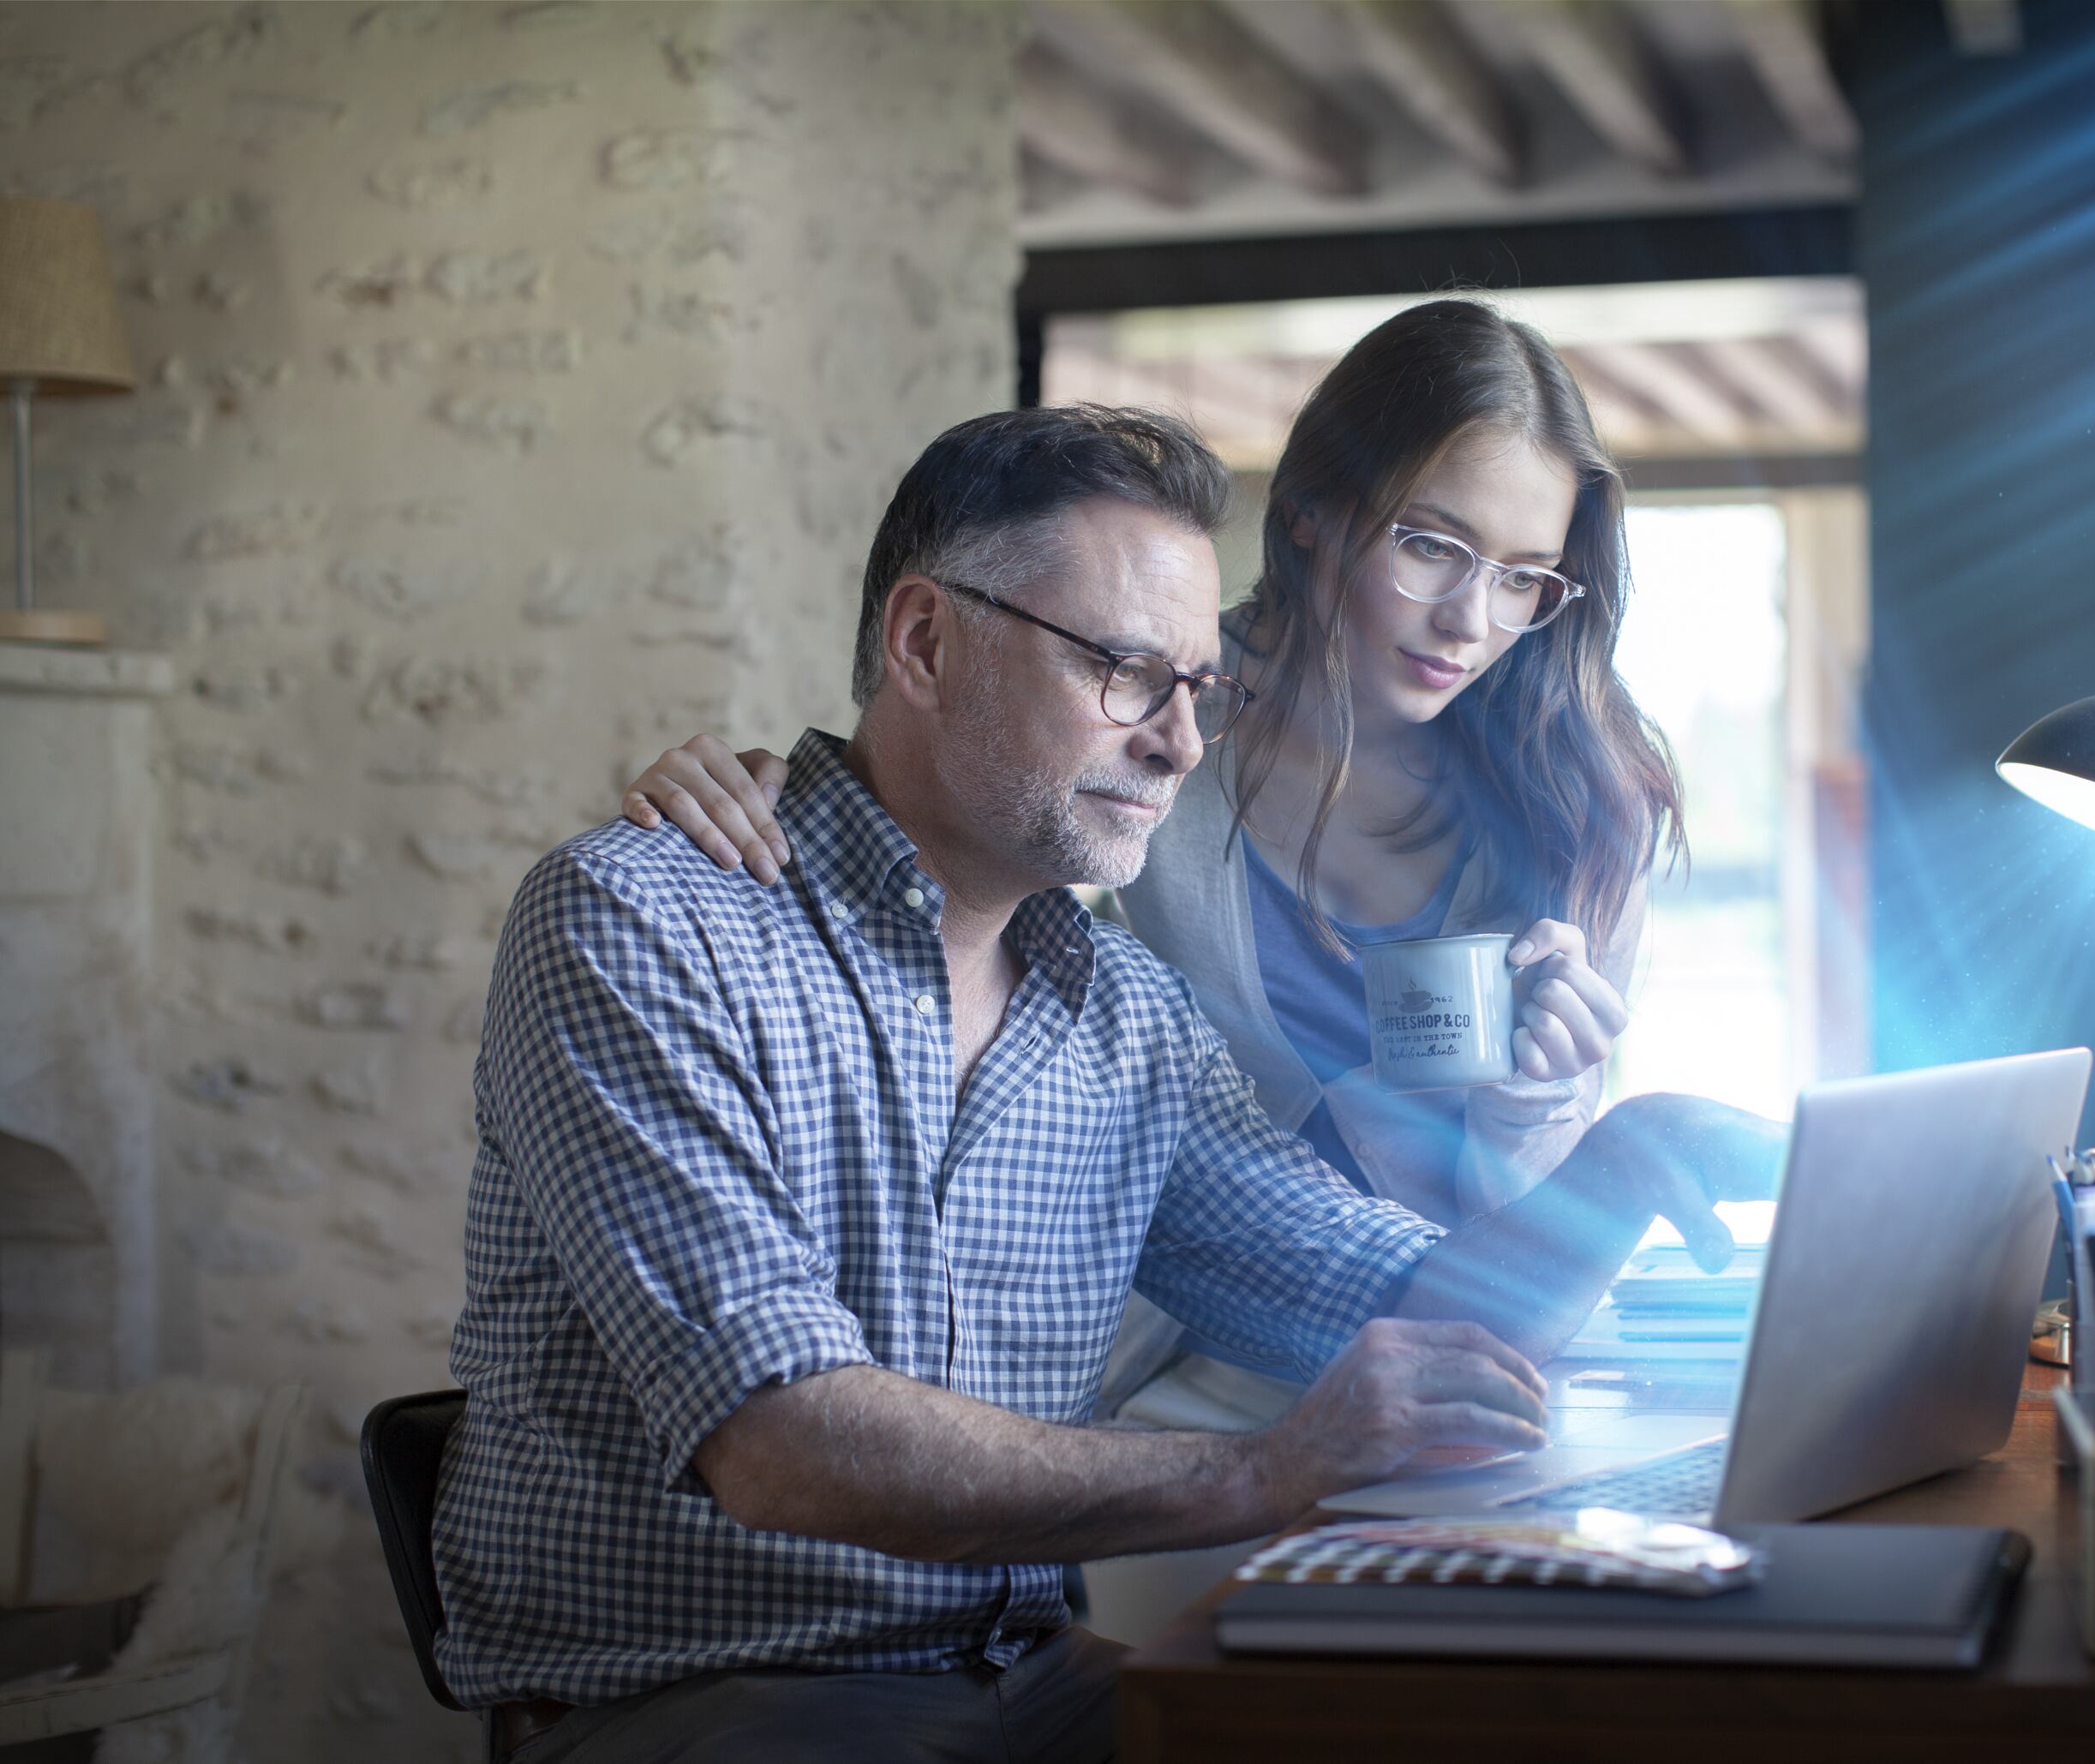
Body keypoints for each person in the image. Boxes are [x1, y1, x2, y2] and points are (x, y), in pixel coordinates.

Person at [437, 403, 1780, 1762]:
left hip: (1031, 1674)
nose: (1179, 746)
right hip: (712, 1697)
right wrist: (1266, 1470)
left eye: (1197, 687)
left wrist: (1621, 1165)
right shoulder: (645, 919)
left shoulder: (1120, 1012)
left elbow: (1405, 1316)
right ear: (924, 641)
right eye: (1126, 673)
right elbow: (785, 1444)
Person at [623, 301, 1685, 1428]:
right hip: (1155, 1377)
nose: (1471, 620)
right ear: (1320, 515)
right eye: (1429, 545)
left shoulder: (1585, 799)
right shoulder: (1155, 709)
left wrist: (1539, 1109)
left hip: (1446, 1332)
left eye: (1525, 576)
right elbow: (954, 804)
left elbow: (1507, 1254)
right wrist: (771, 794)